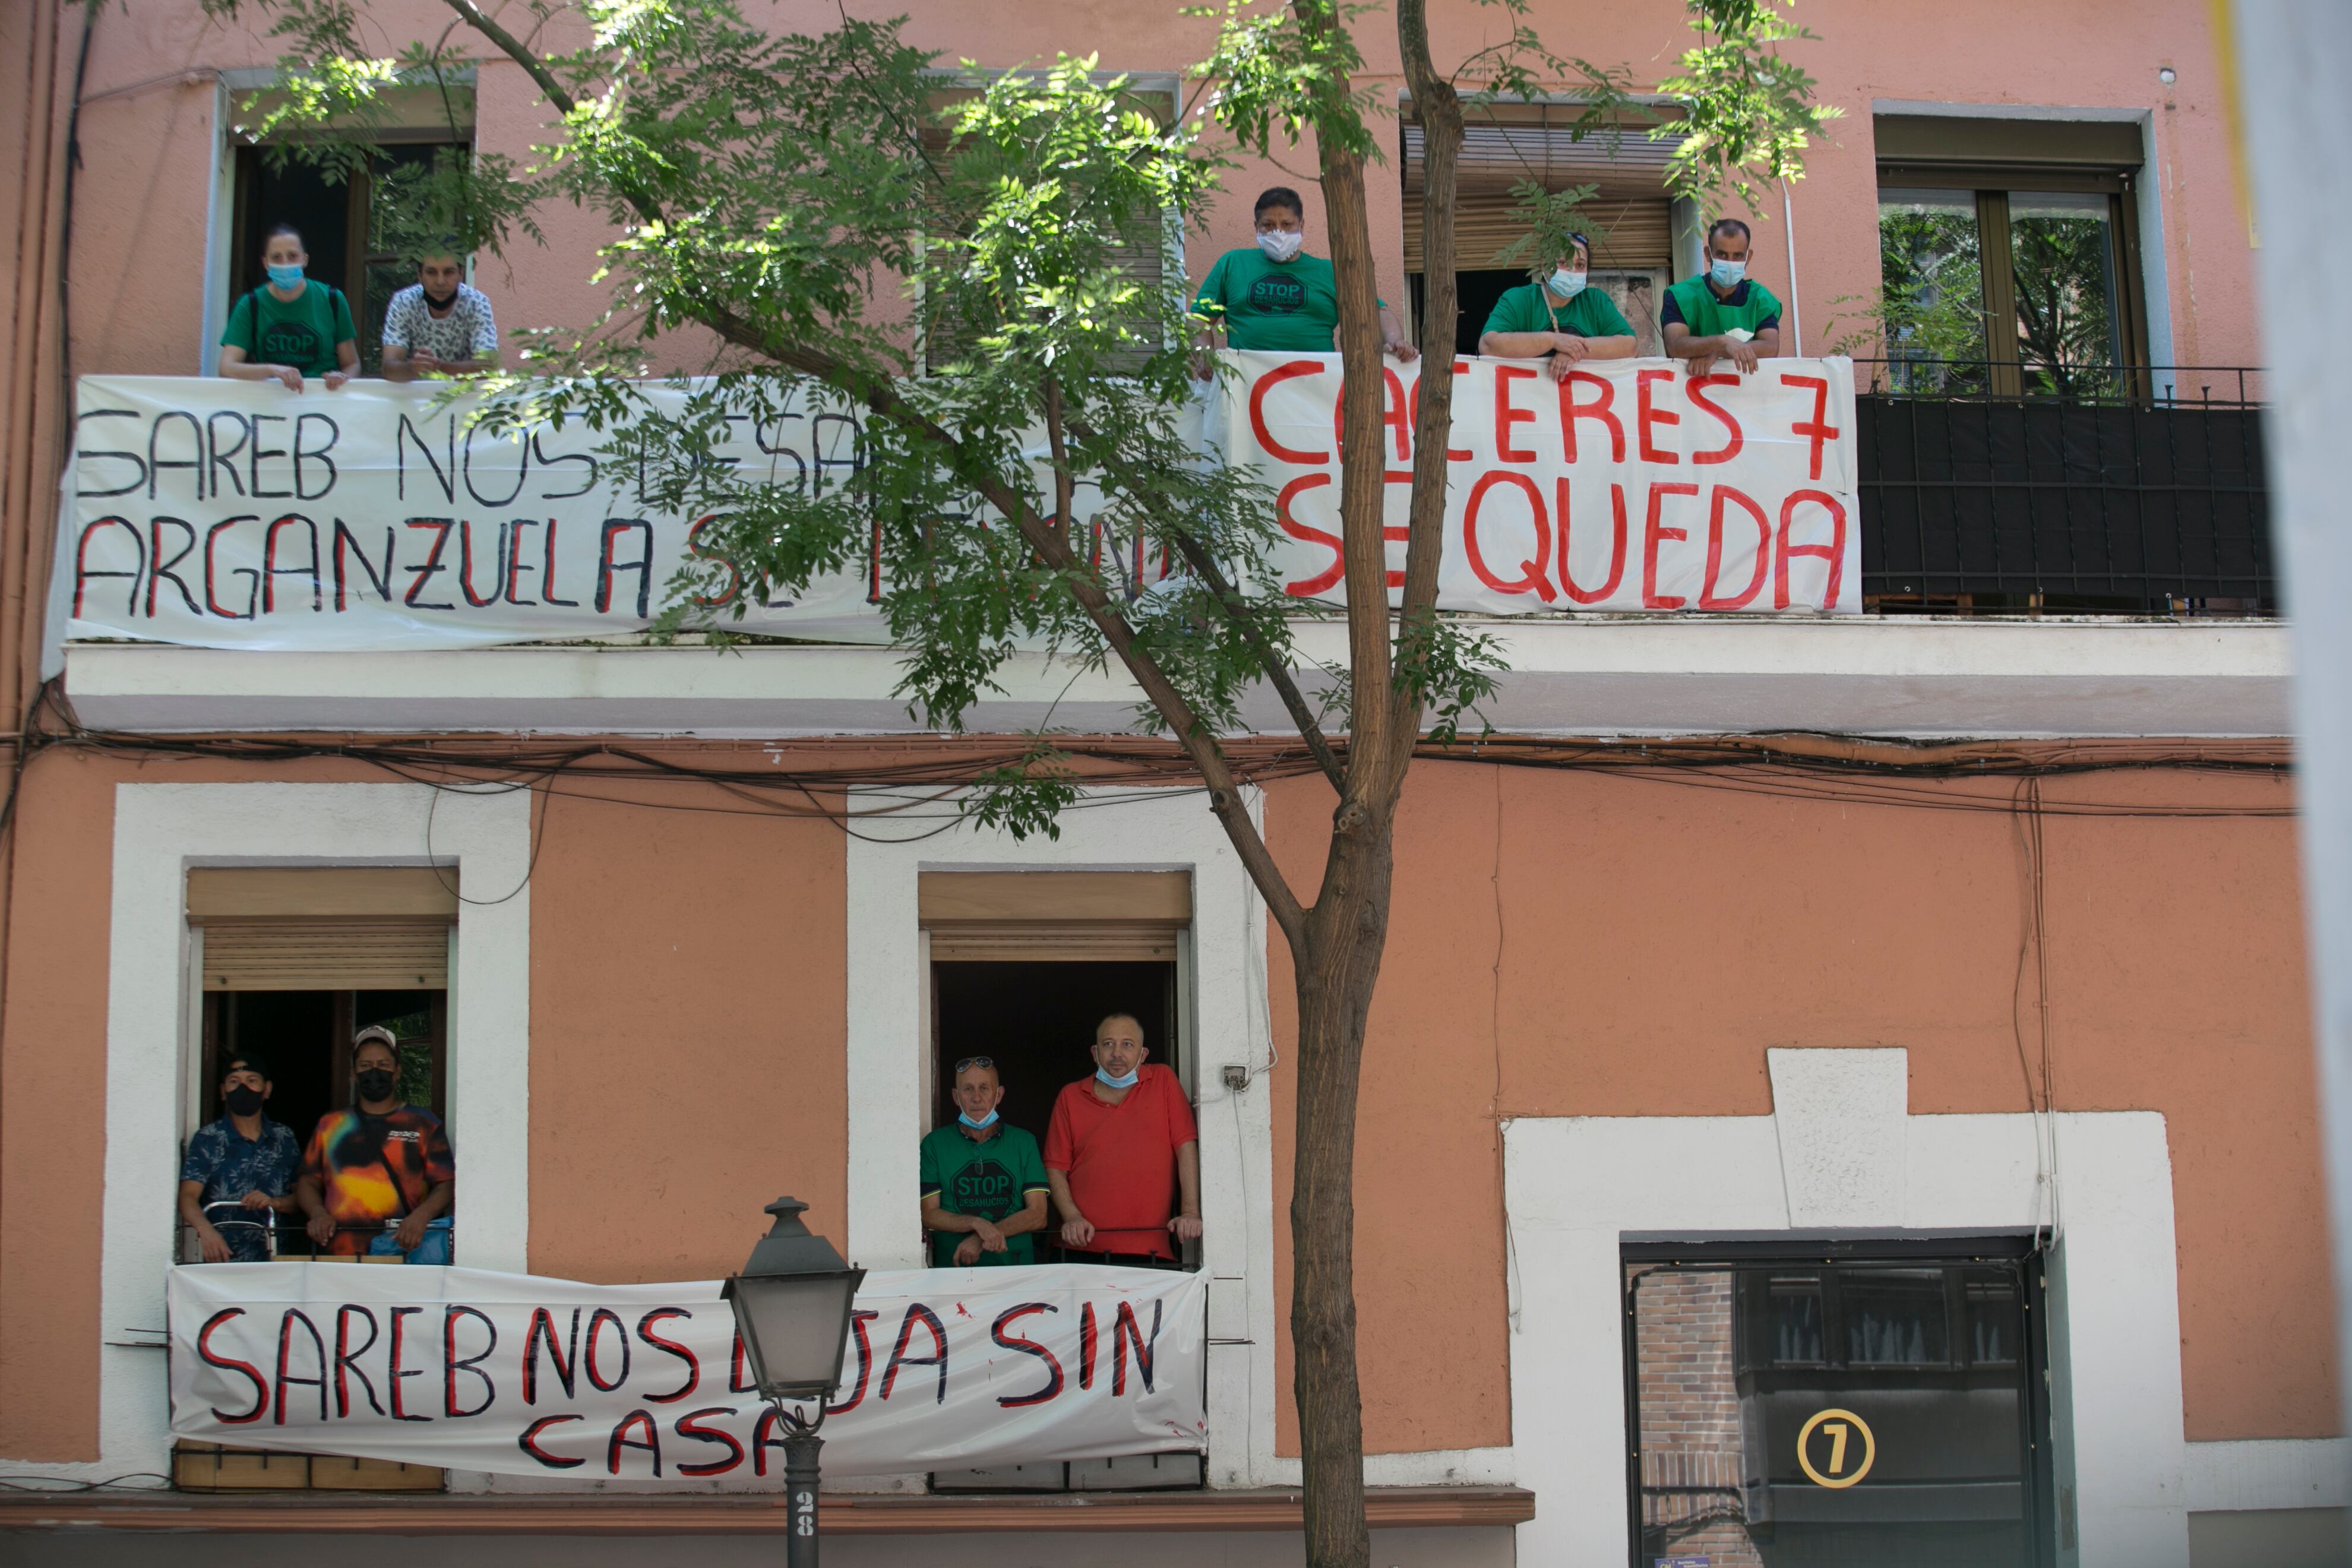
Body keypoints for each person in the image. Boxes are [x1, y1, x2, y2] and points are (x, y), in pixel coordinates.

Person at [1191, 186, 1418, 371]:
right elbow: (1199, 319)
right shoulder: (1232, 264)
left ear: (1302, 226)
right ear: (1256, 227)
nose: (1278, 232)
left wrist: (1395, 341)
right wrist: (1204, 355)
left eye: (1287, 225)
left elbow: (1377, 311)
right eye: (1268, 225)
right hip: (1247, 387)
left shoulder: (1329, 272)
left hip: (1315, 390)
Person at [1044, 1013, 1200, 1267]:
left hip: (1150, 1252)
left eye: (1127, 1044)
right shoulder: (1070, 1096)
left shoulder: (1163, 1081)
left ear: (1143, 1054)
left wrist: (1191, 1212)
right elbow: (1055, 1167)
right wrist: (1072, 1217)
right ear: (1095, 1053)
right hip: (1078, 1249)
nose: (1117, 1053)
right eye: (1108, 1044)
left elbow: (1186, 1148)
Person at [296, 1026, 455, 1261]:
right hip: (339, 1255)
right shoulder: (330, 1125)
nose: (375, 1072)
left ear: (397, 1071)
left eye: (383, 1065)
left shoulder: (424, 1124)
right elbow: (307, 1182)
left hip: (403, 1252)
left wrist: (421, 1217)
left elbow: (446, 1183)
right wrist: (318, 1214)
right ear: (353, 1073)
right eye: (365, 1066)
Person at [919, 1057, 1051, 1267]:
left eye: (984, 1089)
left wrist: (981, 1238)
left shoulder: (1023, 1142)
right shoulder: (934, 1144)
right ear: (955, 1096)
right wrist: (976, 1223)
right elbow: (929, 1214)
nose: (977, 1098)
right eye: (968, 1089)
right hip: (955, 1267)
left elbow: (1038, 1215)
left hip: (1015, 1267)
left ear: (999, 1095)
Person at [177, 1051, 302, 1262]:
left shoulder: (284, 1138)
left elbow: (302, 1199)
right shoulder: (208, 1138)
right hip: (221, 1263)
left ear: (267, 1089)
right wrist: (206, 1232)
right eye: (234, 1082)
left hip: (275, 1263)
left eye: (252, 1081)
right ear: (223, 1091)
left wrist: (274, 1203)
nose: (243, 1088)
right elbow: (187, 1197)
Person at [1477, 232, 1639, 381]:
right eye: (1563, 262)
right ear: (1544, 264)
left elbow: (1630, 347)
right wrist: (1553, 341)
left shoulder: (1596, 301)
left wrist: (1574, 352)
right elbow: (1489, 345)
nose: (1572, 270)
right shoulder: (1518, 300)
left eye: (1580, 265)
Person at [218, 223, 359, 393]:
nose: (285, 264)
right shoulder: (250, 304)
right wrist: (272, 370)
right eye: (276, 257)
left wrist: (341, 378)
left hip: (324, 405)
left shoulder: (332, 299)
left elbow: (352, 364)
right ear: (265, 263)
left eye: (293, 256)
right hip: (271, 404)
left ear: (305, 259)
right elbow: (227, 368)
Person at [1663, 217, 1784, 377]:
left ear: (1748, 257)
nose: (1730, 262)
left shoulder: (1761, 300)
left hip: (1747, 394)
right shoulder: (1680, 296)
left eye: (1738, 256)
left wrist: (1718, 352)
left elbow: (1770, 347)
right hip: (1691, 393)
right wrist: (1722, 342)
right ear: (1708, 254)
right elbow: (1675, 346)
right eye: (1722, 254)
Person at [379, 239, 501, 382]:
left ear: (461, 274)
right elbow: (388, 368)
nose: (440, 281)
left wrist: (437, 368)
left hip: (465, 397)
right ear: (420, 275)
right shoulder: (404, 301)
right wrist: (413, 368)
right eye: (431, 272)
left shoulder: (476, 303)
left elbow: (489, 365)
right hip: (416, 398)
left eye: (449, 272)